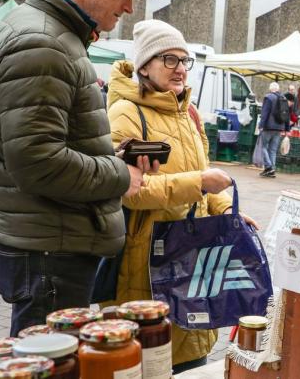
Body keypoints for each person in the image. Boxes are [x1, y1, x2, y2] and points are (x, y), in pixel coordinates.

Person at [0, 0, 164, 336]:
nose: (129, 7)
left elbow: (45, 145)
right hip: (51, 255)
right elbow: (39, 163)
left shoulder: (50, 35)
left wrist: (115, 157)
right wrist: (118, 175)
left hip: (50, 247)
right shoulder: (44, 42)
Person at [106, 20, 256, 372]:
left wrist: (225, 213)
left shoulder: (187, 112)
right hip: (146, 257)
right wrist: (199, 183)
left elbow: (203, 174)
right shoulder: (125, 113)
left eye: (184, 60)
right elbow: (131, 192)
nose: (180, 70)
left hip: (192, 253)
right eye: (168, 60)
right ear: (144, 66)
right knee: (152, 359)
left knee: (193, 355)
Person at [258, 82, 289, 178]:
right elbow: (286, 114)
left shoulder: (268, 97)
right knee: (273, 150)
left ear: (270, 89)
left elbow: (265, 112)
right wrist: (286, 128)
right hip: (279, 127)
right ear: (278, 89)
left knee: (263, 146)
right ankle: (272, 169)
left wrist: (261, 125)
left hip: (268, 127)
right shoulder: (283, 98)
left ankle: (269, 166)